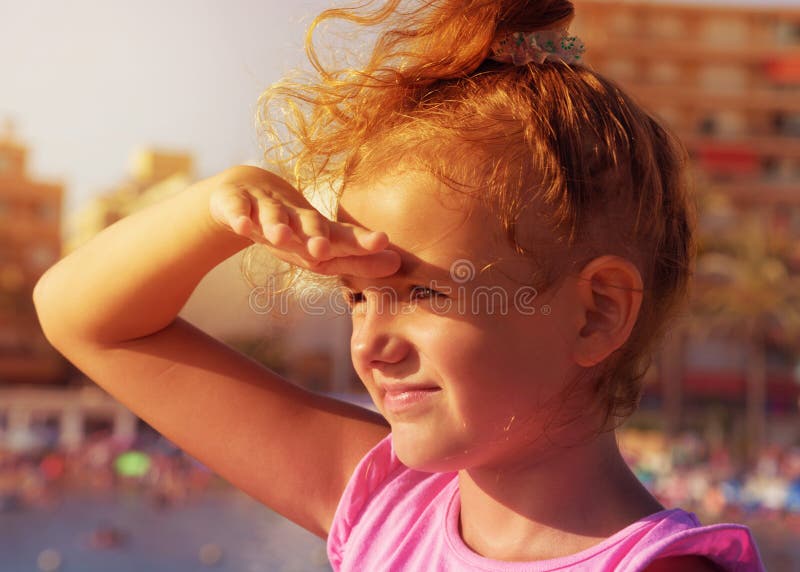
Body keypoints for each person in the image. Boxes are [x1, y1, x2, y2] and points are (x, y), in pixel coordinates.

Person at [33, 0, 765, 570]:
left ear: (596, 312)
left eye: (422, 294)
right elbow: (83, 318)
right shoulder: (386, 503)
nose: (371, 346)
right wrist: (221, 204)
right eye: (356, 296)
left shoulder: (656, 567)